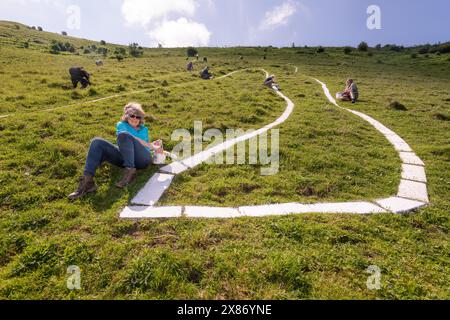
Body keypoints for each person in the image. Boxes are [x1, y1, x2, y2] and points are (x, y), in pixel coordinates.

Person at [68, 103, 156, 199]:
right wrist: (150, 145)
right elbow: (130, 137)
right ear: (127, 116)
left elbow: (144, 147)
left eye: (138, 117)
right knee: (97, 142)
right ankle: (87, 181)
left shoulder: (144, 129)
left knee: (125, 135)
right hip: (125, 157)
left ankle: (130, 172)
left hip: (142, 159)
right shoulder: (121, 125)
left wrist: (155, 148)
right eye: (132, 116)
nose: (135, 119)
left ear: (141, 119)